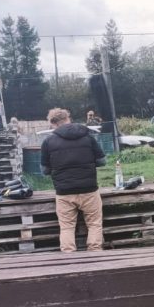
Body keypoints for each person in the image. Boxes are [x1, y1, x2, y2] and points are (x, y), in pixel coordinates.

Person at [41, 108, 107, 252]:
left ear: (53, 123)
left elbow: (45, 171)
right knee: (94, 224)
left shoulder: (48, 142)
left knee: (66, 227)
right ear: (68, 119)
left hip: (64, 193)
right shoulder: (88, 136)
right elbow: (102, 161)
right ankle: (96, 254)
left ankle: (69, 257)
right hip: (89, 190)